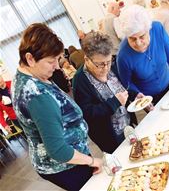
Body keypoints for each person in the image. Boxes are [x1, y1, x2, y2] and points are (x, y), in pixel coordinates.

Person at [11, 23, 102, 191]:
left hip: (68, 154)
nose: (57, 66)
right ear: (30, 58)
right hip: (63, 164)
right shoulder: (37, 96)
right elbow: (58, 150)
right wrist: (92, 161)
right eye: (51, 61)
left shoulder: (29, 73)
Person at [72, 31, 144, 154]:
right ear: (87, 59)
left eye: (108, 61)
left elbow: (122, 88)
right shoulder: (80, 81)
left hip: (129, 125)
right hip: (110, 137)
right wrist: (115, 102)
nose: (106, 68)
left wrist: (134, 94)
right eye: (100, 64)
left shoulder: (113, 67)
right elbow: (88, 113)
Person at [117, 5, 169, 104]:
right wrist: (137, 95)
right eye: (132, 39)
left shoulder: (157, 28)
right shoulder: (123, 55)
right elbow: (127, 83)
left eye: (142, 36)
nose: (138, 43)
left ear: (149, 29)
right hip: (149, 99)